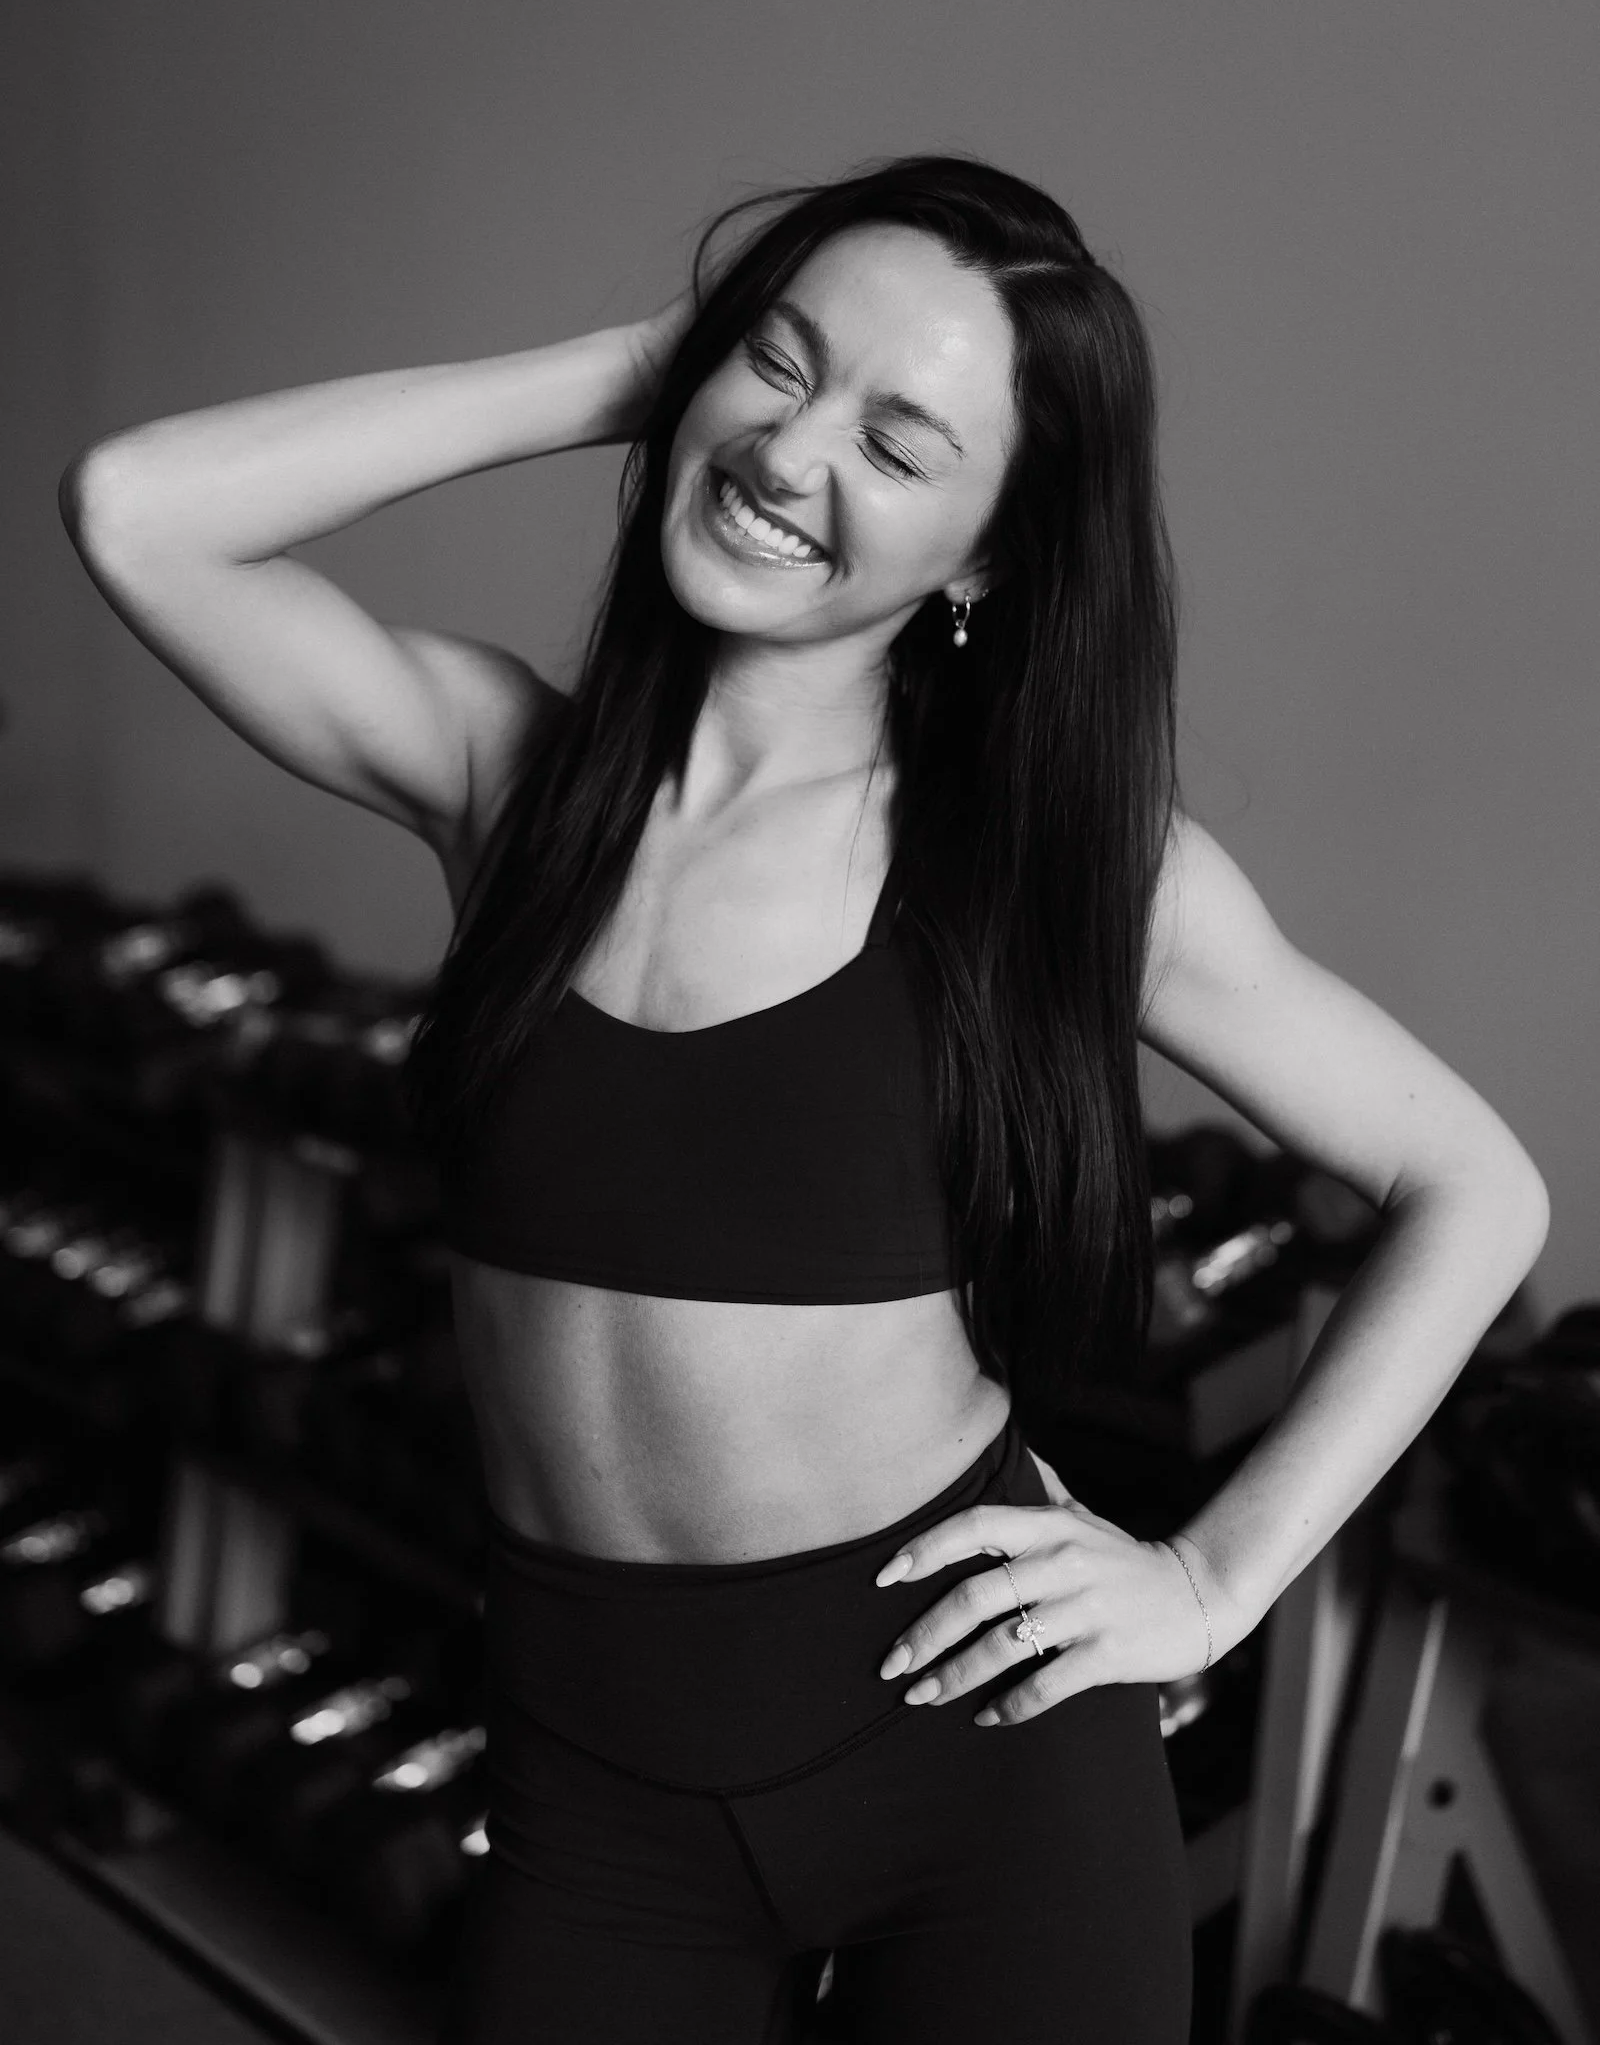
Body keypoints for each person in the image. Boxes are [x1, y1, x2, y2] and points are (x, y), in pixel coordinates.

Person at [62, 154, 1549, 2044]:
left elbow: (1470, 1184)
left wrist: (1207, 1578)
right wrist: (635, 372)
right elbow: (134, 512)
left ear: (986, 559)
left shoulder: (1048, 863)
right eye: (777, 362)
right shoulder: (507, 779)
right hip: (591, 1792)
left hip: (972, 1762)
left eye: (900, 442)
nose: (791, 453)